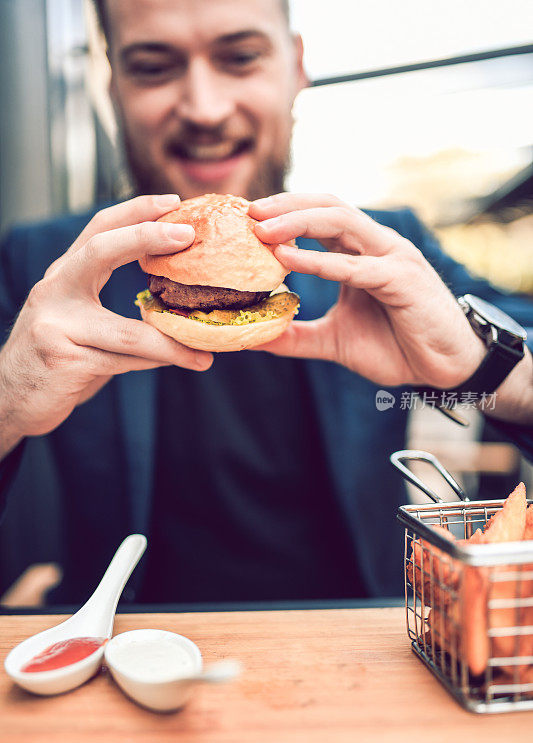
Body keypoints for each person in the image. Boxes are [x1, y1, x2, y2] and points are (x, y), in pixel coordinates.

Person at [1, 0, 533, 604]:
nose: (204, 108)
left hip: (365, 645)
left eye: (241, 57)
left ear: (295, 67)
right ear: (112, 84)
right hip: (119, 647)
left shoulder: (382, 253)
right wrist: (6, 399)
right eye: (152, 66)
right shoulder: (43, 265)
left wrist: (480, 369)